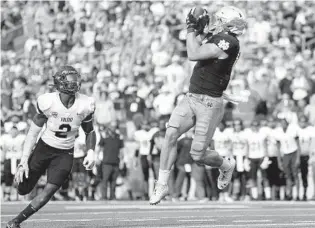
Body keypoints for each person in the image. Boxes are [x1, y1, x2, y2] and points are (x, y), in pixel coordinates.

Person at [150, 6, 247, 204]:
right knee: (170, 134)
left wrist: (191, 29)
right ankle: (162, 184)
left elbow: (193, 53)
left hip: (209, 104)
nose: (216, 23)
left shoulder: (228, 41)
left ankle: (225, 165)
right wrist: (199, 30)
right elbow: (200, 47)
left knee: (197, 155)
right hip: (192, 96)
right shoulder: (222, 37)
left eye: (220, 20)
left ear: (227, 23)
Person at [6, 66, 96, 228]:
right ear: (60, 83)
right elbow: (33, 133)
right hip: (44, 148)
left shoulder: (85, 104)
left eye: (75, 78)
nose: (74, 82)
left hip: (65, 153)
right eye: (70, 79)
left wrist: (91, 151)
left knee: (48, 192)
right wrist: (24, 160)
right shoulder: (48, 102)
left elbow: (90, 131)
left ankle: (17, 221)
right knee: (22, 189)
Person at [0, 126, 26, 201]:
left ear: (17, 131)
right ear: (10, 131)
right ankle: (7, 195)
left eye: (15, 131)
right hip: (8, 159)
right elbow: (3, 149)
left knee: (20, 177)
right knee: (7, 178)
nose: (14, 132)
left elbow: (25, 147)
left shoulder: (21, 137)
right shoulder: (5, 138)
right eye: (12, 131)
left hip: (18, 159)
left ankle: (21, 195)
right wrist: (2, 160)